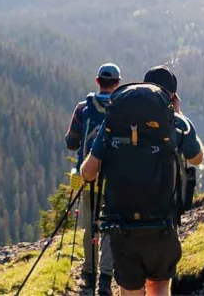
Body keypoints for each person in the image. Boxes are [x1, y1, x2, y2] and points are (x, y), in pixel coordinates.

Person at [79, 66, 203, 296]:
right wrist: (180, 114)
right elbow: (196, 158)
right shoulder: (178, 123)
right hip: (162, 223)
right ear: (172, 96)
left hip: (122, 225)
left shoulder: (113, 123)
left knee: (129, 289)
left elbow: (88, 172)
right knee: (159, 286)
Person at [65, 63, 122, 295]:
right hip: (114, 178)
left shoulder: (82, 108)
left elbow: (71, 142)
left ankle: (89, 273)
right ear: (117, 83)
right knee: (109, 225)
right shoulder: (122, 108)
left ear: (98, 81)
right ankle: (105, 280)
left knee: (90, 224)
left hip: (87, 175)